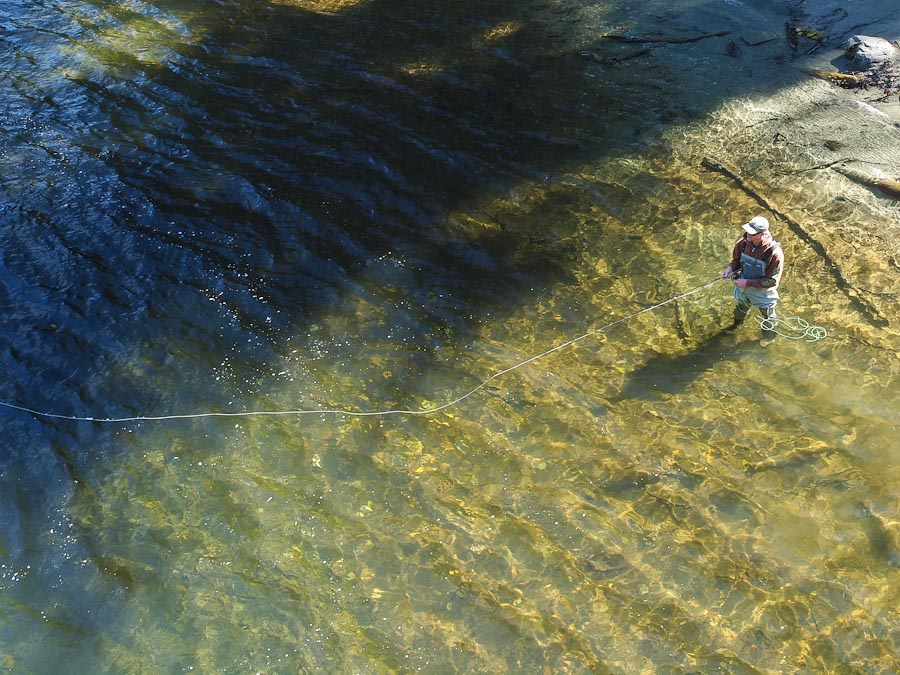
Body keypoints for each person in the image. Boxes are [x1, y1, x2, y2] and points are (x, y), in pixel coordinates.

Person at [721, 215, 784, 343]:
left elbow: (772, 281)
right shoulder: (742, 243)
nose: (748, 235)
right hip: (743, 289)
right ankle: (735, 326)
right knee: (740, 309)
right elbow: (736, 261)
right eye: (748, 230)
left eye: (752, 233)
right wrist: (730, 268)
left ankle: (769, 339)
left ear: (763, 234)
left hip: (763, 293)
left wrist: (748, 282)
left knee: (768, 318)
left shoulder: (775, 254)